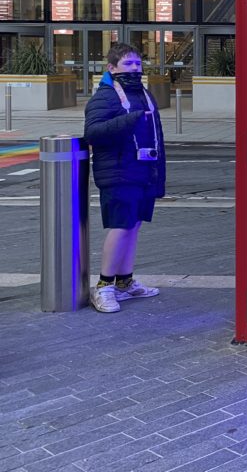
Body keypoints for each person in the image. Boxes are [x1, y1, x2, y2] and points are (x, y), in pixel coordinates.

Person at [84, 43, 165, 313]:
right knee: (120, 227)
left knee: (134, 226)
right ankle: (104, 286)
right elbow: (93, 133)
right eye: (128, 64)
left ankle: (125, 283)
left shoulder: (143, 93)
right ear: (111, 68)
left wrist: (159, 175)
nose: (135, 69)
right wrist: (128, 120)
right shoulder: (105, 97)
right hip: (118, 172)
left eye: (138, 64)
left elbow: (157, 136)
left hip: (143, 171)